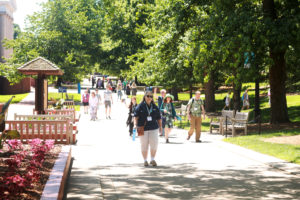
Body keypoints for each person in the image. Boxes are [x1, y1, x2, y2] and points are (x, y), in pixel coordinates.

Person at [134, 91, 162, 167]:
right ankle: (145, 160)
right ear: (144, 97)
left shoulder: (155, 107)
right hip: (141, 127)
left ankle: (152, 159)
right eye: (148, 96)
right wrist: (135, 125)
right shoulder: (140, 106)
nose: (149, 98)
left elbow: (159, 118)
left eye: (151, 96)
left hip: (153, 128)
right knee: (143, 145)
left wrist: (161, 128)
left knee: (154, 144)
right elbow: (135, 117)